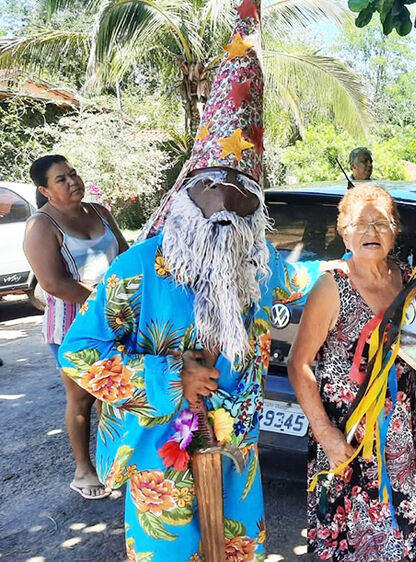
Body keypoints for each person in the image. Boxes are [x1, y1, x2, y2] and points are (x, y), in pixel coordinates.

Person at [57, 2, 315, 558]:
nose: (223, 205)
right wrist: (171, 375)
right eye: (208, 189)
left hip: (238, 449)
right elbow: (78, 352)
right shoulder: (140, 266)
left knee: (238, 551)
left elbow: (313, 286)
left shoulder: (261, 261)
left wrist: (380, 273)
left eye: (239, 192)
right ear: (183, 197)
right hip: (160, 453)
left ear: (257, 206)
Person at [287, 183, 416, 561]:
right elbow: (298, 365)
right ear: (344, 231)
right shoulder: (332, 285)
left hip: (394, 443)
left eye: (380, 223)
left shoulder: (410, 279)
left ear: (395, 229)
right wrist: (326, 435)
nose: (370, 232)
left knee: (397, 542)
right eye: (359, 224)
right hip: (344, 442)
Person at [23, 154, 128, 500]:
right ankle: (84, 469)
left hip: (117, 317)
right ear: (45, 190)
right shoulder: (42, 226)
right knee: (82, 397)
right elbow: (53, 283)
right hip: (73, 325)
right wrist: (102, 300)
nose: (72, 181)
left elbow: (125, 258)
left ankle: (116, 460)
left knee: (115, 394)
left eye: (73, 173)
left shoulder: (99, 212)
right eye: (61, 180)